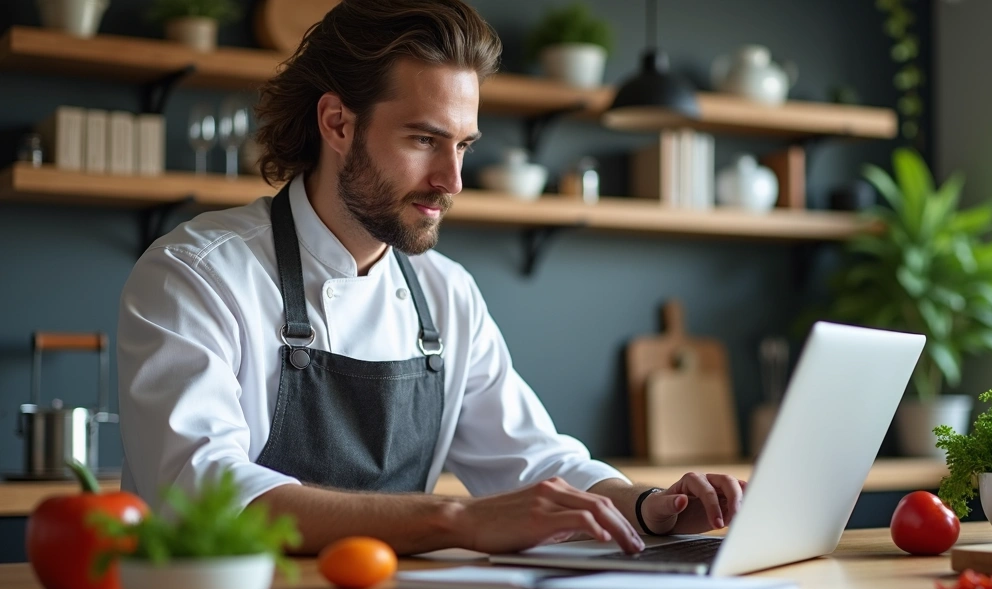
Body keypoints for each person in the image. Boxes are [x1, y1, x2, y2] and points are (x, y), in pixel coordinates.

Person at [117, 0, 744, 556]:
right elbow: (208, 493)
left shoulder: (446, 295)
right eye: (424, 139)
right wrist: (456, 520)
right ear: (337, 123)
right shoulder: (196, 275)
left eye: (464, 146)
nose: (452, 181)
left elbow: (535, 460)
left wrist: (646, 504)